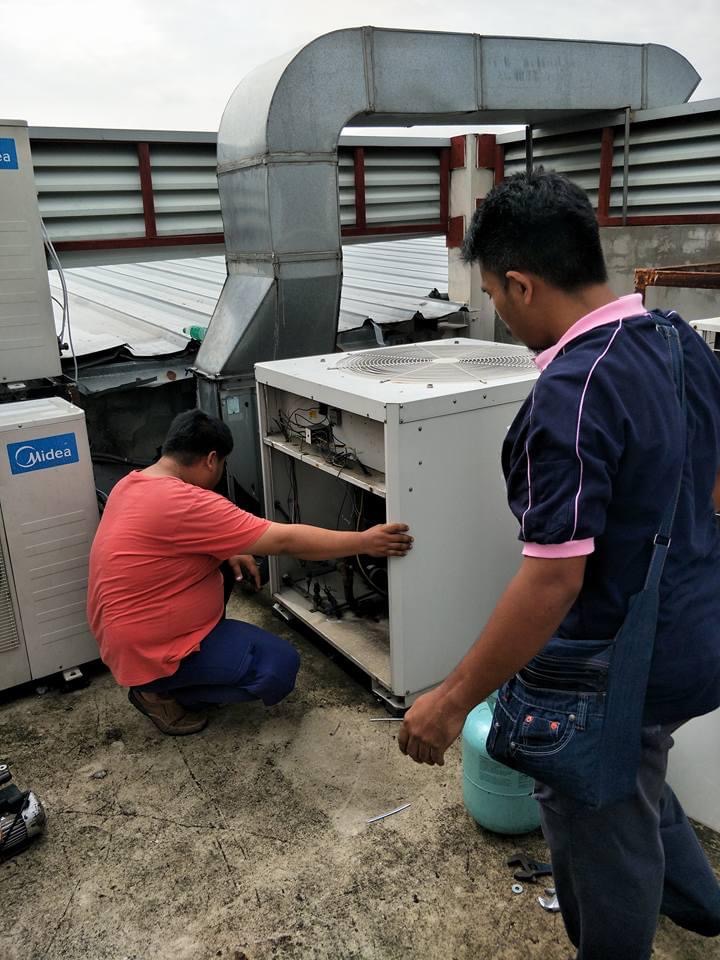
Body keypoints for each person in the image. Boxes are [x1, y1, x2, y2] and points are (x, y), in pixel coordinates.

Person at [398, 170, 720, 959]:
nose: (500, 314)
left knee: (596, 829)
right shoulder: (677, 341)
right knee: (634, 774)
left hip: (621, 670)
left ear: (521, 283)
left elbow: (552, 580)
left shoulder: (572, 394)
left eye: (493, 296)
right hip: (699, 636)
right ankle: (706, 908)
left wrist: (449, 702)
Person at [88, 409, 412, 736]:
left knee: (231, 565)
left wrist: (227, 547)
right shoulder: (188, 502)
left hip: (124, 635)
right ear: (211, 460)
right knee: (278, 668)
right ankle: (158, 692)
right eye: (223, 463)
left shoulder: (132, 483)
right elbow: (284, 541)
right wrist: (364, 541)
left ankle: (180, 671)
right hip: (148, 651)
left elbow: (165, 543)